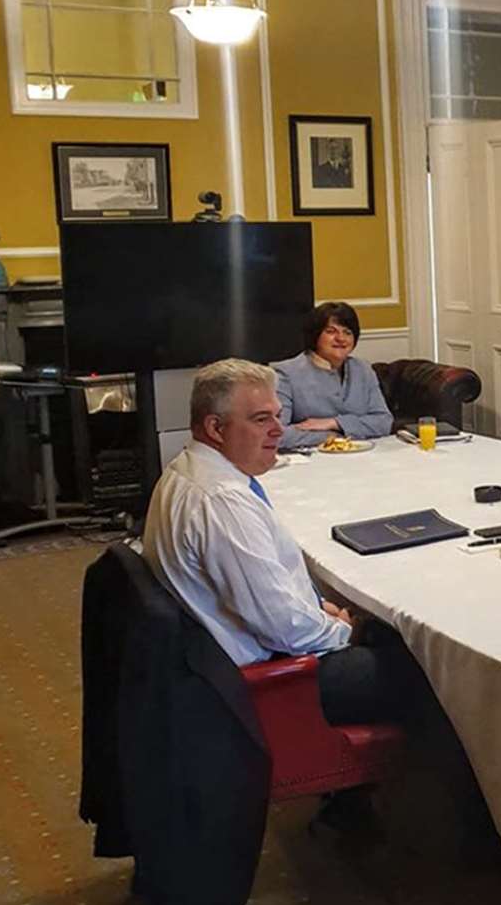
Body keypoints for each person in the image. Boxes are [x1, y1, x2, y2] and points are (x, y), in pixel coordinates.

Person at [142, 359, 417, 726]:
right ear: (215, 427)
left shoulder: (186, 469)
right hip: (276, 680)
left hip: (233, 656)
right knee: (431, 668)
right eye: (260, 420)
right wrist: (347, 629)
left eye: (278, 416)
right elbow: (282, 626)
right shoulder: (222, 502)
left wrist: (321, 609)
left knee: (390, 629)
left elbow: (269, 600)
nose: (278, 431)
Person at [272, 301, 393, 451]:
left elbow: (384, 422)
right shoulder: (286, 374)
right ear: (315, 336)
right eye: (331, 331)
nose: (341, 338)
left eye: (347, 332)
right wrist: (334, 437)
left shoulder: (363, 369)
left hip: (363, 458)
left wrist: (335, 423)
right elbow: (276, 434)